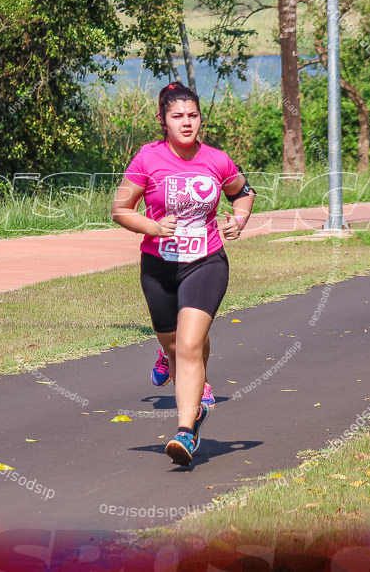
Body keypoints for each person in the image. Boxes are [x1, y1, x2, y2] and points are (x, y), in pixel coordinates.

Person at [111, 82, 255, 466]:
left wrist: (238, 219)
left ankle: (185, 432)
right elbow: (120, 209)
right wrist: (152, 227)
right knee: (175, 348)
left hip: (206, 261)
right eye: (177, 116)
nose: (186, 122)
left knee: (190, 345)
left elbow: (244, 192)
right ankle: (192, 399)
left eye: (192, 115)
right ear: (163, 120)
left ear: (200, 119)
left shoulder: (217, 160)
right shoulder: (147, 159)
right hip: (158, 268)